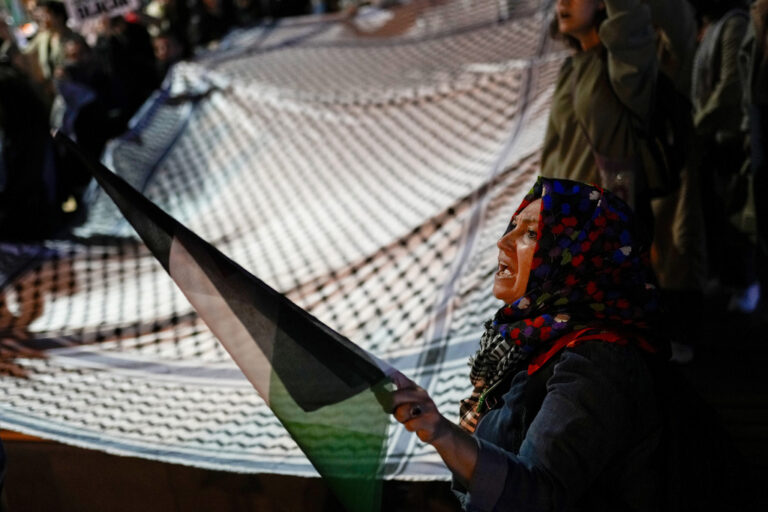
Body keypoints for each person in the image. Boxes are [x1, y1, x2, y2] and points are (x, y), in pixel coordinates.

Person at [390, 177, 671, 510]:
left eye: (531, 233)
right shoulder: (531, 347)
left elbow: (539, 495)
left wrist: (439, 432)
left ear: (577, 257)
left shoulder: (600, 358)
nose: (503, 242)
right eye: (512, 226)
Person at [540, 0, 660, 231]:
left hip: (606, 229)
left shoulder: (623, 63)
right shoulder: (571, 68)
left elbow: (628, 23)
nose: (562, 3)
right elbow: (553, 157)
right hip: (567, 228)